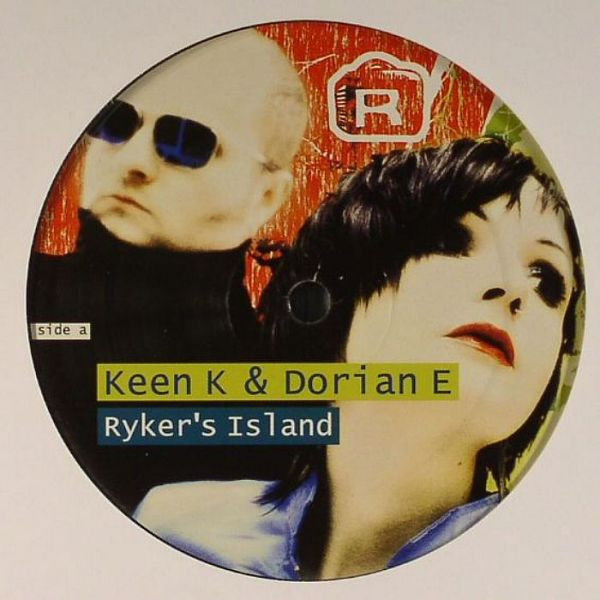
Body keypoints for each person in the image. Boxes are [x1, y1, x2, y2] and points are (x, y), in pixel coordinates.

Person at [133, 138, 583, 579]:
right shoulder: (177, 529)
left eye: (547, 281)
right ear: (338, 294)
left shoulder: (549, 574)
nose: (515, 289)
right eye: (452, 241)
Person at [27, 29, 308, 511]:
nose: (133, 162)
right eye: (116, 123)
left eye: (185, 141)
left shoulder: (280, 409)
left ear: (266, 197)